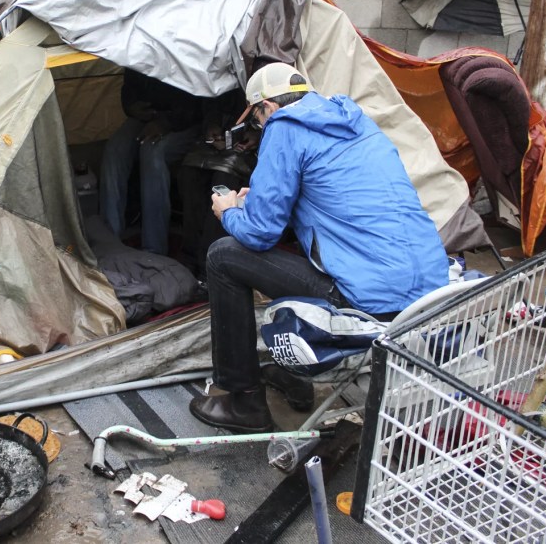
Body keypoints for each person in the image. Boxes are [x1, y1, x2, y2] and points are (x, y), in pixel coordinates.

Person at [188, 62, 449, 432]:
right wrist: (260, 197)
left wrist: (228, 211)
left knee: (224, 255)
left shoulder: (284, 127)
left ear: (269, 109)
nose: (259, 130)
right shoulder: (355, 120)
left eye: (256, 121)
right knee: (293, 252)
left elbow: (260, 233)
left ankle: (241, 400)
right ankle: (290, 376)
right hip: (431, 292)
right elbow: (336, 199)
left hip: (372, 304)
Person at [100, 69, 203, 255]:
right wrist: (131, 107)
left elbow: (198, 104)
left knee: (152, 152)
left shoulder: (184, 45)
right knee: (114, 149)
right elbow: (129, 89)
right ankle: (110, 239)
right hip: (148, 117)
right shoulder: (139, 44)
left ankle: (154, 248)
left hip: (186, 121)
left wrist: (166, 123)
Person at [177, 88, 260, 281]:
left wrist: (256, 133)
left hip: (248, 146)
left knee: (224, 179)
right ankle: (189, 256)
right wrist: (213, 126)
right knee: (189, 173)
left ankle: (208, 264)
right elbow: (211, 104)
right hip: (219, 142)